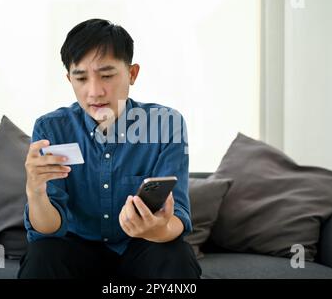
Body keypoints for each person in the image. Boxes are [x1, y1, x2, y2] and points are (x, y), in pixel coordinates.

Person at [17, 19, 201, 279]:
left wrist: (156, 229)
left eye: (106, 75)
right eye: (81, 78)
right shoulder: (51, 129)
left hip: (141, 247)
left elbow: (177, 217)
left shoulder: (166, 124)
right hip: (76, 250)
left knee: (176, 255)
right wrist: (35, 192)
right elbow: (47, 230)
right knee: (42, 254)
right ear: (69, 79)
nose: (94, 92)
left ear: (132, 73)